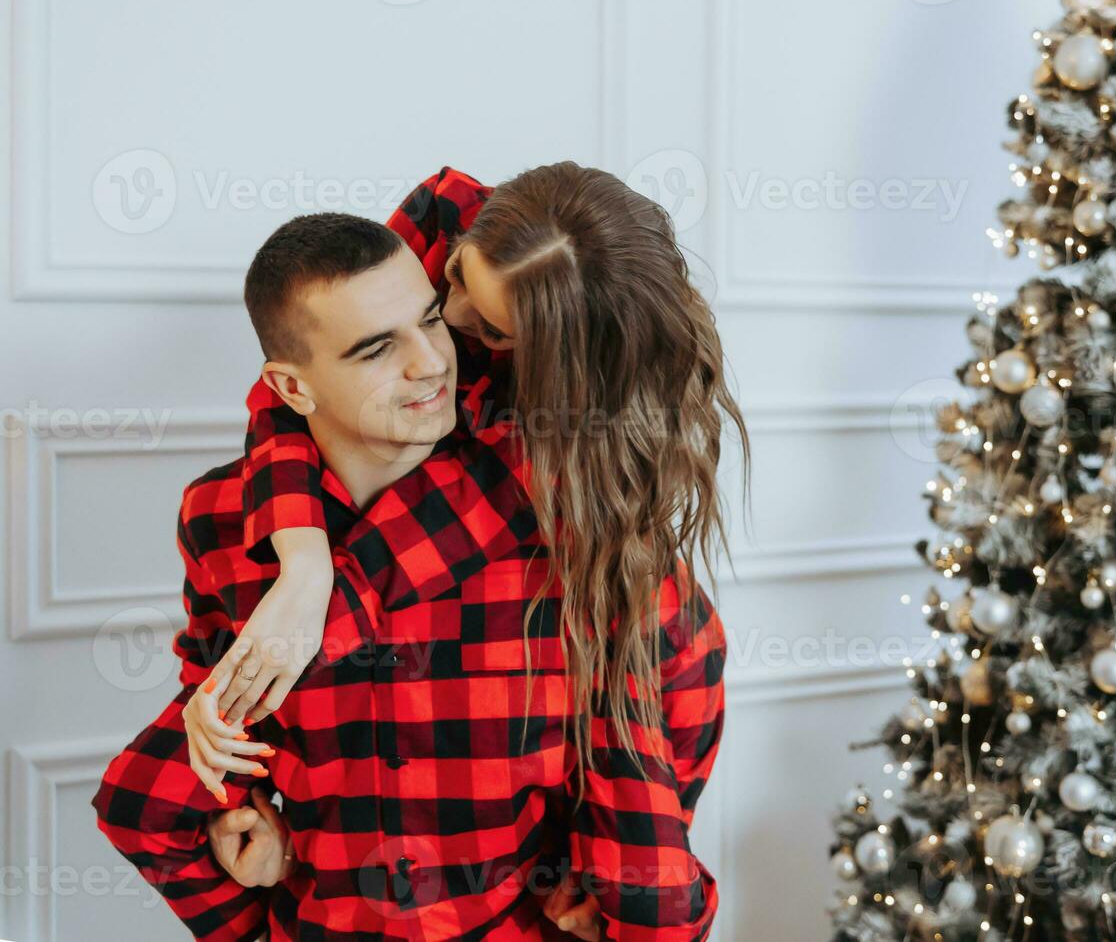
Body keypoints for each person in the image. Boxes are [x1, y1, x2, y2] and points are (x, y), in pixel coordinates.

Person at [94, 187, 736, 938]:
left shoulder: (576, 521)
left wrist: (611, 897)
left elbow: (665, 743)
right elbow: (187, 784)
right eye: (381, 345)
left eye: (454, 324)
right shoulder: (226, 518)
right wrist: (236, 810)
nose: (439, 356)